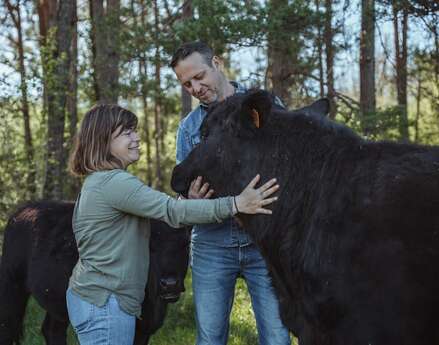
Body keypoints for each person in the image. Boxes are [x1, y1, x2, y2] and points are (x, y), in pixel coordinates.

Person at [66, 104, 279, 345]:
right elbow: (171, 211)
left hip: (96, 299)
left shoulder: (98, 182)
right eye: (126, 133)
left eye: (134, 131)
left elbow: (163, 212)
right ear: (103, 141)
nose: (136, 138)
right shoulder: (114, 183)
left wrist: (189, 203)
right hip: (105, 305)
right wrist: (237, 204)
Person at [171, 41, 291, 345]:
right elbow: (182, 199)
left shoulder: (263, 106)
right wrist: (191, 203)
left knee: (277, 337)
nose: (195, 88)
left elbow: (290, 172)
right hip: (211, 244)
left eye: (199, 77)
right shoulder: (189, 129)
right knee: (210, 338)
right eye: (187, 84)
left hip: (262, 243)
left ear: (217, 63)